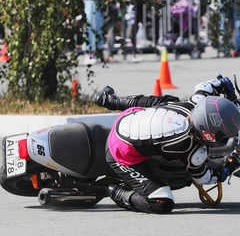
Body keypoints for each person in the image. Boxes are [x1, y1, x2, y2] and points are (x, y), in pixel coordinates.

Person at [93, 76, 240, 214]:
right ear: (208, 132)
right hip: (119, 149)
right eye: (223, 133)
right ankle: (116, 193)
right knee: (162, 203)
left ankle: (111, 100)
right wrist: (226, 169)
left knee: (170, 101)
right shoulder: (194, 153)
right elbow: (203, 178)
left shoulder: (194, 104)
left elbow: (206, 86)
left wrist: (225, 86)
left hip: (130, 116)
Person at [82, 0, 105, 65]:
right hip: (90, 0)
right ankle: (89, 53)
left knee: (99, 26)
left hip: (99, 2)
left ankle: (97, 52)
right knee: (90, 25)